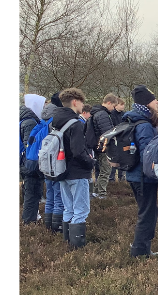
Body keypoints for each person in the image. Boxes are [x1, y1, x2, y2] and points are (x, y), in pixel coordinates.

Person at [49, 87, 95, 249]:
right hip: (77, 172)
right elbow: (78, 151)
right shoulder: (75, 123)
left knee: (68, 208)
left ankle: (67, 243)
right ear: (75, 102)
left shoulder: (56, 120)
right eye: (82, 102)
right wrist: (90, 163)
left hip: (61, 171)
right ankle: (77, 247)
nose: (83, 106)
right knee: (81, 210)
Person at [122, 85, 158, 258]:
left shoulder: (130, 119)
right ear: (147, 103)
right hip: (143, 176)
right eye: (154, 99)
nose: (157, 101)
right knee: (147, 214)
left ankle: (142, 249)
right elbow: (148, 152)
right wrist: (156, 172)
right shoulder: (144, 124)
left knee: (147, 211)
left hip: (133, 173)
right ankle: (139, 252)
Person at [19, 92, 47, 226]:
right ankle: (29, 221)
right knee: (32, 193)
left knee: (30, 191)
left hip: (24, 163)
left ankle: (30, 218)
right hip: (30, 164)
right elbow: (30, 145)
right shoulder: (30, 122)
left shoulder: (23, 119)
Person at [89, 94, 122, 200]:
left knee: (102, 170)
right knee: (106, 170)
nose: (113, 109)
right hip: (104, 147)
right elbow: (108, 133)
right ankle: (101, 193)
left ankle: (96, 191)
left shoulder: (96, 112)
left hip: (97, 146)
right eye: (113, 106)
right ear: (108, 103)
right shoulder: (103, 114)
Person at [39, 94, 65, 233]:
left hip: (44, 163)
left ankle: (48, 225)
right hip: (56, 162)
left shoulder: (42, 116)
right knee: (58, 195)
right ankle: (57, 228)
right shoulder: (58, 118)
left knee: (50, 195)